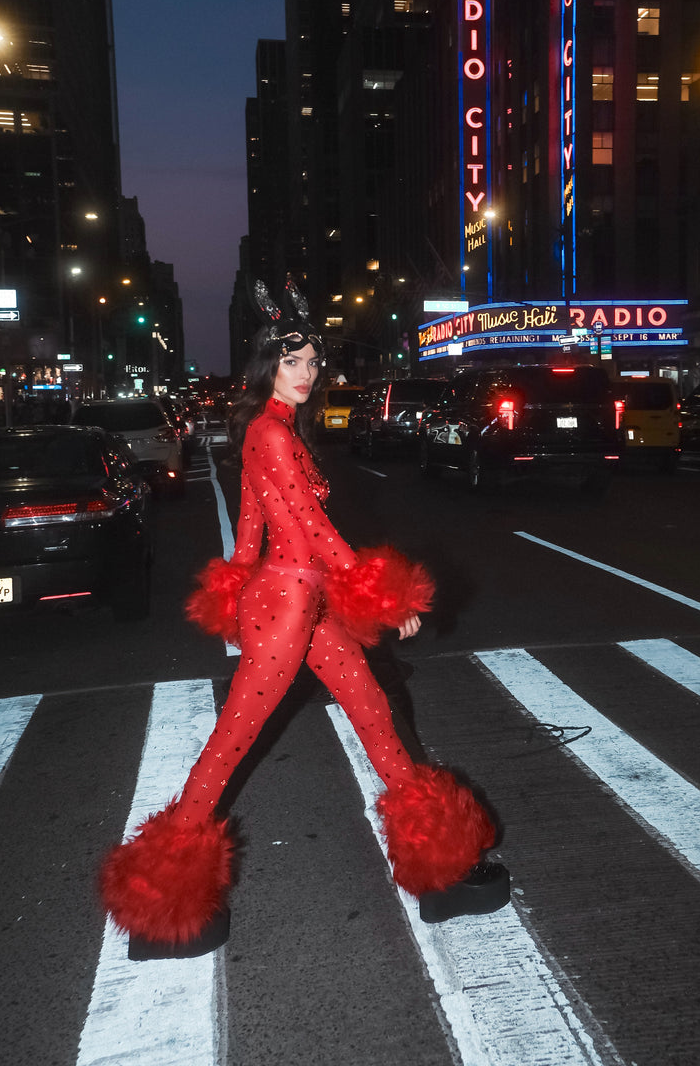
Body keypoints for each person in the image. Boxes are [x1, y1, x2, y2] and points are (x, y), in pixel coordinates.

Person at [99, 280, 507, 956]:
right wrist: (384, 595)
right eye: (294, 362)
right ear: (269, 365)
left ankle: (442, 871)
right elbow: (312, 527)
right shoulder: (270, 432)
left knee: (374, 712)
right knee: (231, 742)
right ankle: (159, 902)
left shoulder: (274, 430)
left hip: (300, 602)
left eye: (314, 361)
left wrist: (239, 579)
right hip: (288, 606)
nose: (308, 373)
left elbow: (252, 527)